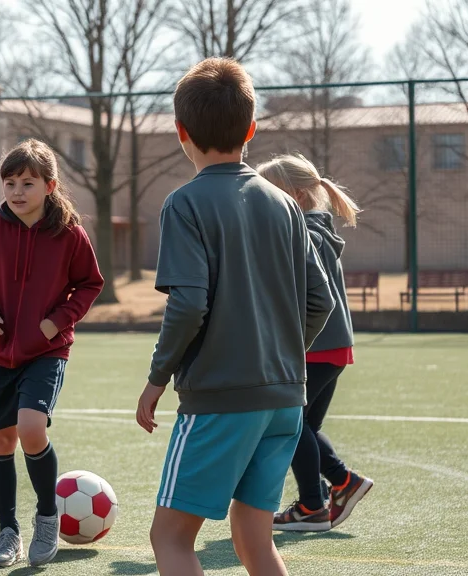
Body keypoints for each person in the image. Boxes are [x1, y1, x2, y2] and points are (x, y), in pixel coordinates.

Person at [135, 58, 334, 576]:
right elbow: (321, 302)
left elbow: (187, 305)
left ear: (181, 132)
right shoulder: (285, 205)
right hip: (286, 400)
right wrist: (283, 355)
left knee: (170, 539)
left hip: (220, 400)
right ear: (251, 129)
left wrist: (157, 378)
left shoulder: (184, 204)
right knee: (254, 541)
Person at [0, 139, 105, 568]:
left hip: (46, 351)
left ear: (50, 186)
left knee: (31, 428)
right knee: (1, 440)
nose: (17, 191)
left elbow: (90, 284)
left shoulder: (69, 234)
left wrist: (58, 320)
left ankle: (46, 516)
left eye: (28, 182)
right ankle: (8, 531)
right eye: (10, 183)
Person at [257, 154, 373, 532]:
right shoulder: (315, 228)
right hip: (332, 347)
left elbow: (308, 298)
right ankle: (319, 500)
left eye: (268, 193)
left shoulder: (302, 233)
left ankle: (329, 491)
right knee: (303, 425)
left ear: (295, 196)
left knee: (288, 423)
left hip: (315, 345)